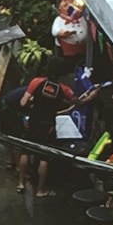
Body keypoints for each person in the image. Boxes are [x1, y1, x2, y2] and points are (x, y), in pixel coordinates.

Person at [18, 64, 98, 196]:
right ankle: (40, 190)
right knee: (44, 158)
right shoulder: (64, 89)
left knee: (25, 152)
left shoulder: (36, 82)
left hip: (33, 122)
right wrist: (91, 97)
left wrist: (33, 103)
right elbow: (78, 103)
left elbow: (23, 103)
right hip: (48, 126)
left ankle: (20, 183)